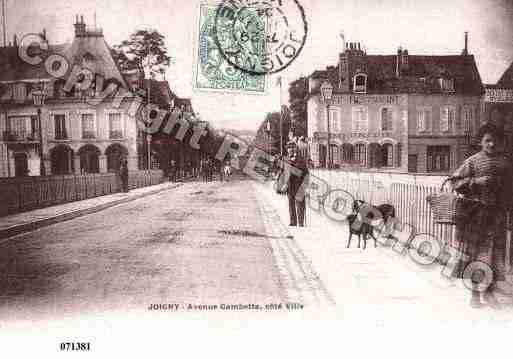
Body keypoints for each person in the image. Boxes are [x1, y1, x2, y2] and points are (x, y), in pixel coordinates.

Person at [450, 123, 513, 308]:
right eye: (488, 140)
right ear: (481, 142)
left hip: (498, 217)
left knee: (496, 256)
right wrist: (475, 181)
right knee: (476, 256)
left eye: (495, 141)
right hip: (477, 217)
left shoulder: (506, 164)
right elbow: (454, 182)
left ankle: (491, 293)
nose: (492, 144)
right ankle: (475, 294)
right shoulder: (472, 161)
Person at [282, 141, 309, 227]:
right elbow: (284, 172)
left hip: (299, 185)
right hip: (290, 185)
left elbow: (303, 172)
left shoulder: (301, 159)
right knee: (291, 204)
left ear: (296, 149)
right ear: (287, 149)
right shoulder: (286, 159)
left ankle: (301, 223)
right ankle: (293, 222)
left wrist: (305, 185)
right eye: (289, 148)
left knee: (300, 204)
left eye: (293, 147)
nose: (291, 149)